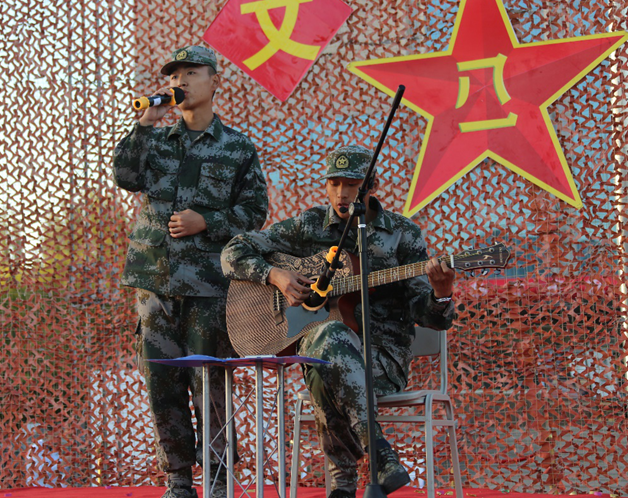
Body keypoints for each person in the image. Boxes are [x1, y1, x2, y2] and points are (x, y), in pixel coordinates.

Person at [220, 145, 456, 497]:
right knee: (328, 338)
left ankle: (342, 483)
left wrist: (442, 293)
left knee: (323, 366)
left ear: (371, 186)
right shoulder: (309, 226)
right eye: (334, 184)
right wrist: (276, 276)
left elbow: (431, 318)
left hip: (380, 359)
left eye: (351, 185)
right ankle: (379, 451)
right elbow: (232, 252)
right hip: (324, 350)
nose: (341, 194)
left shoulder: (402, 234)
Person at [113, 45, 268, 498]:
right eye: (174, 75)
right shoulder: (156, 140)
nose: (180, 81)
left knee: (210, 382)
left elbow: (255, 211)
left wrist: (208, 222)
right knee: (161, 382)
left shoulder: (237, 146)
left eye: (191, 72)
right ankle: (179, 480)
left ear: (215, 81)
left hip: (208, 286)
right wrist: (145, 123)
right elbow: (125, 176)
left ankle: (218, 479)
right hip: (154, 282)